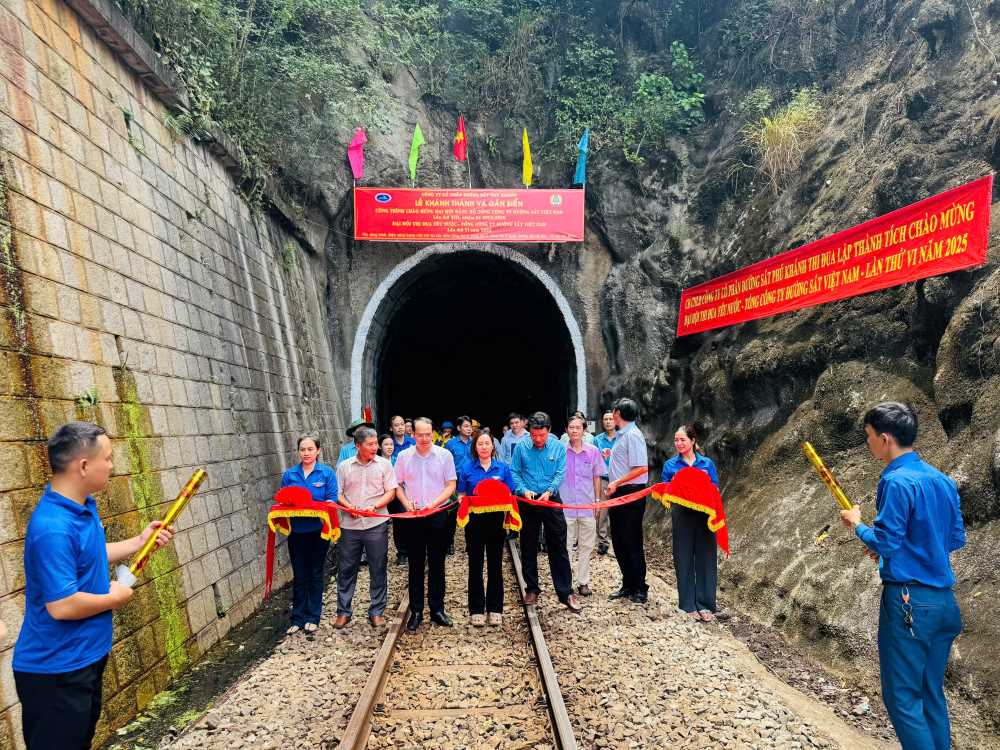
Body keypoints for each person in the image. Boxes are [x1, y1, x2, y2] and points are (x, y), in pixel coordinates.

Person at [13, 422, 174, 750]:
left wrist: (139, 542)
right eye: (109, 458)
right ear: (84, 466)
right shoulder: (52, 527)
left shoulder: (82, 507)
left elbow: (89, 556)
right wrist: (114, 597)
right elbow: (63, 605)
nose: (112, 465)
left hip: (84, 659)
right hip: (56, 671)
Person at [839, 402, 964, 750]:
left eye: (868, 437)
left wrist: (858, 526)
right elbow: (953, 539)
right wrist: (890, 547)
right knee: (930, 694)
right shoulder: (942, 480)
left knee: (903, 699)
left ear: (886, 438)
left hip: (910, 603)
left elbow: (887, 541)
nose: (868, 444)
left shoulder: (895, 480)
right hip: (943, 603)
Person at [511, 412, 582, 613]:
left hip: (551, 499)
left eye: (541, 435)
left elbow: (560, 472)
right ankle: (532, 588)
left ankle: (565, 591)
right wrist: (523, 490)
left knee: (558, 545)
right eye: (534, 435)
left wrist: (550, 491)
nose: (538, 439)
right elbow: (514, 472)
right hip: (528, 499)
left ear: (548, 431)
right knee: (528, 544)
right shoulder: (522, 447)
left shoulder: (558, 447)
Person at [395, 418, 457, 631]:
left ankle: (437, 609)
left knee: (437, 563)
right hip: (413, 517)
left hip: (437, 515)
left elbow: (451, 485)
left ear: (433, 434)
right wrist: (405, 503)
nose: (424, 439)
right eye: (420, 434)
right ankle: (417, 610)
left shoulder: (444, 455)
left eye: (427, 434)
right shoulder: (404, 457)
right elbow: (398, 485)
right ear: (413, 435)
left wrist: (434, 503)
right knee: (415, 564)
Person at [334, 426, 398, 629]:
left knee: (378, 567)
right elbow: (338, 493)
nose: (375, 447)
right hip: (349, 526)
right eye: (370, 444)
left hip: (375, 523)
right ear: (358, 446)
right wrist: (348, 506)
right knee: (346, 568)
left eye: (375, 444)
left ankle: (377, 611)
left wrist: (376, 506)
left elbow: (391, 492)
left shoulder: (384, 465)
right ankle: (343, 611)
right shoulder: (344, 466)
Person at [279, 435, 339, 634]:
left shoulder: (326, 473)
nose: (306, 453)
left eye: (310, 449)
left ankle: (313, 616)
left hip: (318, 533)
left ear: (318, 451)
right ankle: (297, 618)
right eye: (303, 449)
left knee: (315, 573)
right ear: (298, 452)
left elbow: (331, 500)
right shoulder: (290, 475)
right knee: (300, 574)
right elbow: (282, 502)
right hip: (296, 533)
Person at [662, 424, 721, 622]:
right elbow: (664, 491)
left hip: (704, 515)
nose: (678, 443)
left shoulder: (706, 464)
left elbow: (714, 488)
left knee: (706, 557)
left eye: (682, 440)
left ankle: (705, 604)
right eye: (676, 440)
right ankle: (687, 604)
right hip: (682, 515)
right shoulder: (670, 465)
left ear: (693, 441)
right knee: (683, 557)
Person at [458, 432, 515, 626]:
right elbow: (462, 493)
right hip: (474, 523)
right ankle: (476, 609)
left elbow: (510, 492)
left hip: (496, 523)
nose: (483, 447)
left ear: (493, 446)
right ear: (475, 448)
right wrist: (461, 499)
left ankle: (495, 608)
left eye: (487, 443)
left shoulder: (503, 468)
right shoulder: (466, 469)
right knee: (475, 565)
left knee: (495, 565)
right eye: (480, 444)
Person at [606, 397, 650, 604]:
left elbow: (641, 468)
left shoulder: (633, 435)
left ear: (617, 413)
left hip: (631, 494)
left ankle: (640, 587)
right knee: (619, 540)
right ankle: (628, 583)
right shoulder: (621, 435)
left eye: (613, 412)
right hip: (619, 493)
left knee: (631, 541)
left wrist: (617, 482)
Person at [561, 415, 603, 597]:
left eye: (578, 428)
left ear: (584, 430)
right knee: (566, 546)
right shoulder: (560, 451)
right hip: (566, 505)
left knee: (586, 546)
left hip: (587, 505)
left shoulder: (593, 451)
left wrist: (597, 500)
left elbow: (597, 477)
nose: (575, 431)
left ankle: (583, 582)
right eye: (571, 427)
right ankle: (566, 583)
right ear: (566, 430)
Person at [444, 416, 474, 555]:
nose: (469, 429)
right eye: (466, 426)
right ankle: (449, 542)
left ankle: (471, 542)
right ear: (459, 428)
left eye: (470, 426)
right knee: (451, 514)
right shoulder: (451, 444)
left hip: (471, 483)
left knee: (472, 513)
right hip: (455, 483)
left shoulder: (475, 442)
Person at [383, 423, 411, 565]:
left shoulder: (398, 460)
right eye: (386, 444)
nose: (389, 447)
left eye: (391, 444)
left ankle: (404, 552)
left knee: (401, 523)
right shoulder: (377, 462)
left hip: (399, 496)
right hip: (382, 497)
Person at [593, 410, 617, 555]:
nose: (608, 421)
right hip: (603, 479)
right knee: (602, 511)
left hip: (618, 479)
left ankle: (618, 540)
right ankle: (603, 541)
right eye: (605, 419)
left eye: (610, 419)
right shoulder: (597, 440)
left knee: (618, 510)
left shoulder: (621, 438)